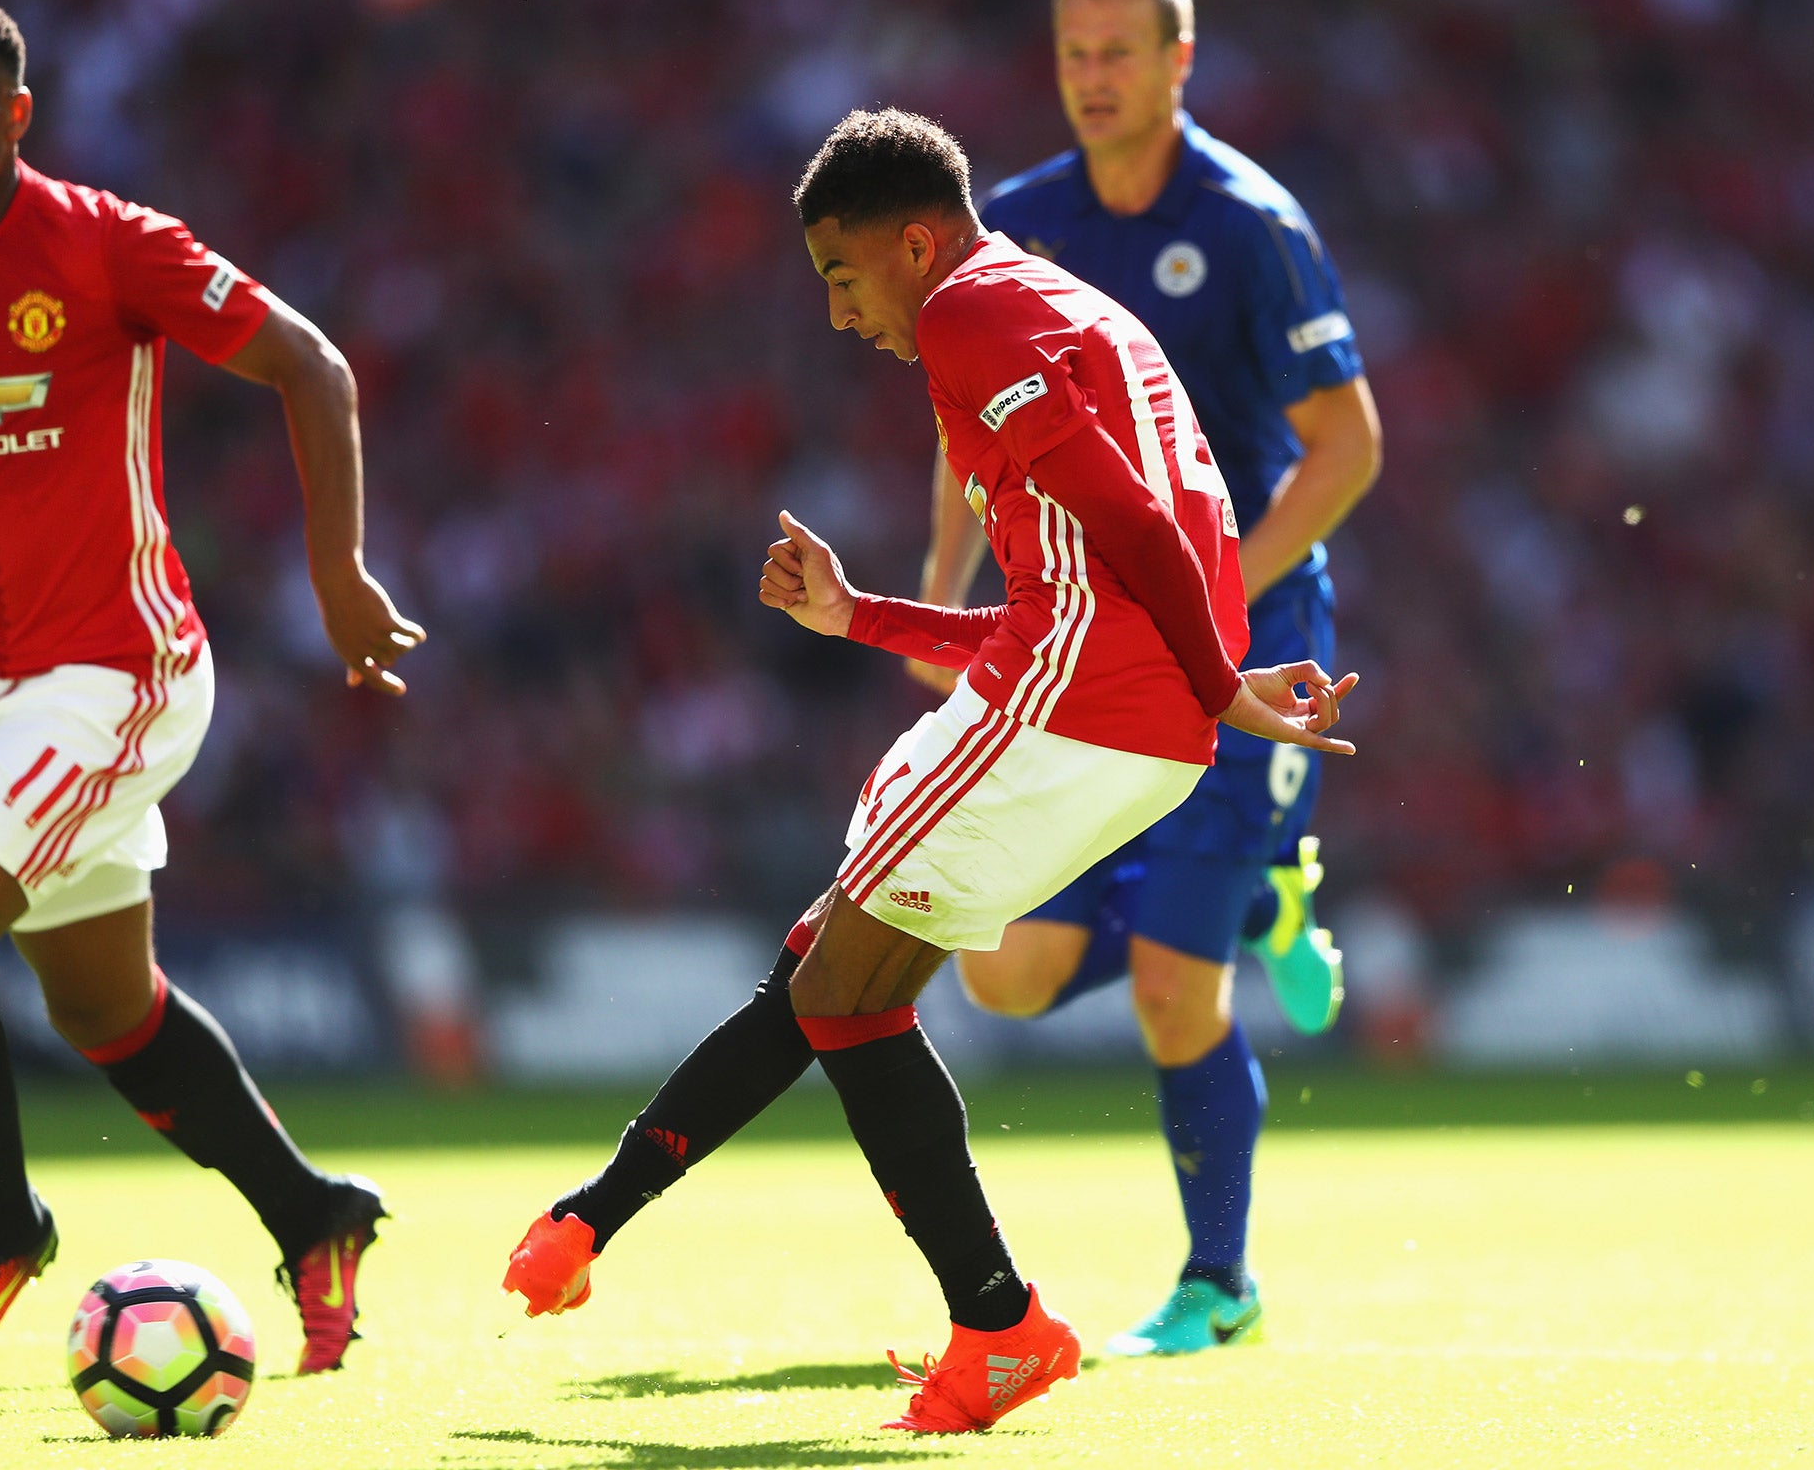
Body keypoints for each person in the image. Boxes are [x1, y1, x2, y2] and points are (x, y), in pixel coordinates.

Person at [501, 107, 1357, 1435]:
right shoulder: (1052, 300)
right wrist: (864, 618)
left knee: (838, 989)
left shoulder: (967, 314)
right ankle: (593, 1222)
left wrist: (1219, 682)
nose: (842, 315)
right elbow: (1061, 594)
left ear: (913, 241)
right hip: (1103, 707)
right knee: (827, 974)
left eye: (843, 278)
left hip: (1082, 712)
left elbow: (1130, 524)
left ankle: (1000, 1322)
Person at [0, 0, 424, 1374]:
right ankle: (314, 1212)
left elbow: (310, 363)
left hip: (117, 671)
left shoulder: (101, 240)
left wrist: (338, 578)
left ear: (14, 114)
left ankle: (1, 1226)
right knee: (98, 1009)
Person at [908, 0, 1383, 1357]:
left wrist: (1211, 599)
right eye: (1074, 56)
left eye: (1121, 53)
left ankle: (1217, 1284)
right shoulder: (1020, 226)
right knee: (1006, 972)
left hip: (1246, 641)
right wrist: (944, 585)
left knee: (1174, 994)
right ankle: (1253, 905)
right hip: (1091, 652)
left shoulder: (1248, 224)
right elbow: (966, 424)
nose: (1094, 78)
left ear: (1181, 63)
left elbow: (1347, 446)